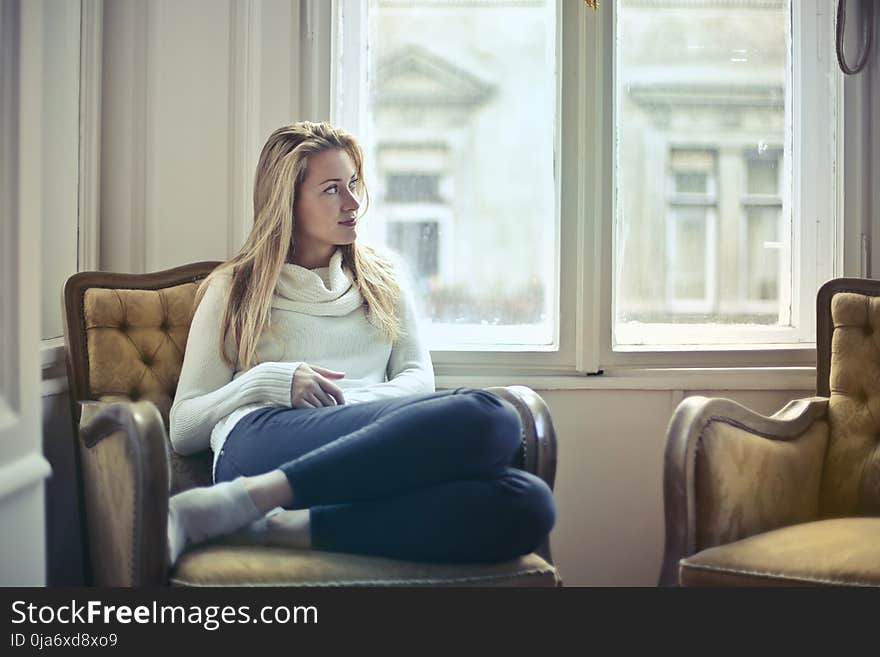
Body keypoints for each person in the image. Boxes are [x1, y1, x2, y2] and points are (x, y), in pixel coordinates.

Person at [167, 121, 555, 565]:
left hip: (368, 445)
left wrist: (351, 403)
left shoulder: (383, 278)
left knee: (527, 503)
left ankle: (271, 525)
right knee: (491, 417)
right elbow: (183, 427)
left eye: (353, 184)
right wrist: (267, 381)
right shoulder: (234, 288)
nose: (352, 203)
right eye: (332, 189)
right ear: (286, 203)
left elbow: (416, 379)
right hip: (261, 442)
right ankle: (245, 496)